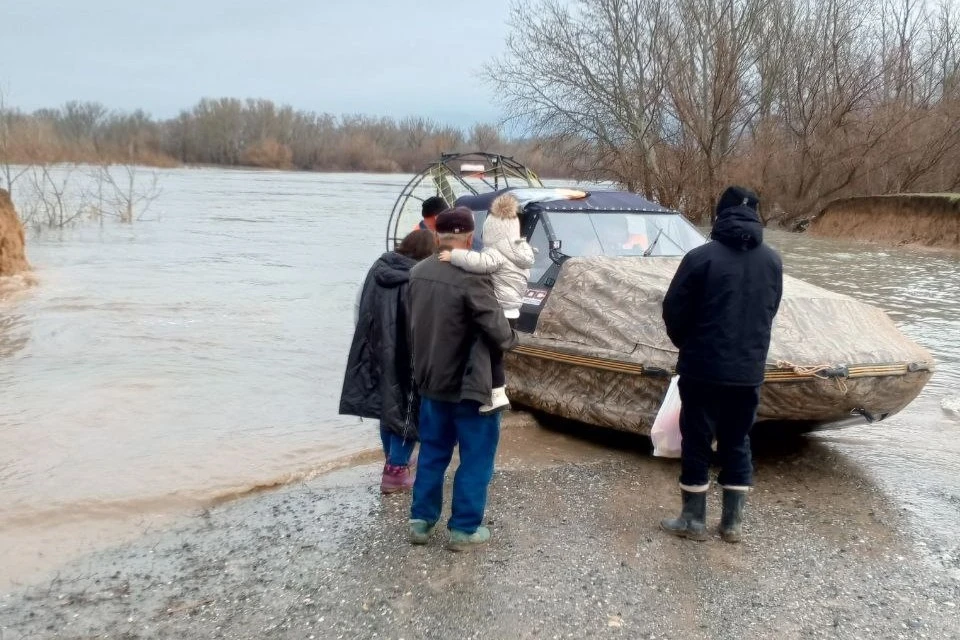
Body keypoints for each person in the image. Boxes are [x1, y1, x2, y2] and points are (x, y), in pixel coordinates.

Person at [660, 186, 783, 543]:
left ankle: (693, 520)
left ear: (719, 214)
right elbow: (770, 311)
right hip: (748, 371)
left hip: (703, 367)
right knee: (737, 439)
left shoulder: (700, 258)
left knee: (696, 438)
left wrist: (689, 344)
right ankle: (732, 524)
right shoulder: (773, 261)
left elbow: (673, 311)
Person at [405, 206, 519, 551]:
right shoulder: (473, 276)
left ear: (438, 235)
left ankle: (421, 522)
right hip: (472, 387)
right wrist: (513, 339)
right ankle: (464, 529)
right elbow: (497, 330)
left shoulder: (417, 272)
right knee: (476, 457)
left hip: (430, 381)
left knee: (433, 453)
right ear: (471, 237)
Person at [339, 229, 437, 494]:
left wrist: (365, 341)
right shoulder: (418, 277)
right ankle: (395, 470)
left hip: (374, 348)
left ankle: (394, 459)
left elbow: (358, 304)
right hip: (407, 352)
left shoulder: (378, 268)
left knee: (386, 407)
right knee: (408, 409)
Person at [438, 193, 533, 414]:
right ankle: (497, 392)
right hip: (514, 310)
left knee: (491, 355)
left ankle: (496, 394)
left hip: (499, 308)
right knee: (496, 354)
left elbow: (478, 262)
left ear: (491, 232)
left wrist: (453, 256)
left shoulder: (497, 254)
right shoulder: (522, 253)